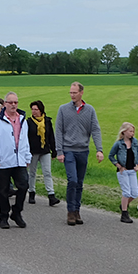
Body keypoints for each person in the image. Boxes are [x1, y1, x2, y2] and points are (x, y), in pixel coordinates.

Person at [55, 82, 104, 226]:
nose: (72, 95)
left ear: (81, 93)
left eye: (74, 93)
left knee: (80, 183)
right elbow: (58, 130)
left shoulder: (89, 110)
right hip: (68, 150)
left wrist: (99, 149)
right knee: (73, 180)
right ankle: (70, 211)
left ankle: (77, 210)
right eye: (70, 92)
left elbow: (95, 130)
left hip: (83, 150)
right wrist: (59, 151)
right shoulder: (63, 109)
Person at [0, 92, 31, 229]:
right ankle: (3, 216)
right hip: (3, 160)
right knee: (3, 191)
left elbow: (25, 140)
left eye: (15, 102)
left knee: (23, 186)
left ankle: (16, 212)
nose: (13, 105)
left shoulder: (23, 120)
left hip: (19, 161)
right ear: (5, 104)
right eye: (10, 102)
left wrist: (27, 156)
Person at [27, 100, 60, 206]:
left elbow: (51, 136)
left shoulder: (47, 121)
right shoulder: (28, 122)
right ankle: (31, 192)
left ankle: (51, 195)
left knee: (47, 172)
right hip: (33, 151)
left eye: (36, 109)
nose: (34, 111)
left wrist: (54, 151)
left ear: (41, 110)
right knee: (32, 173)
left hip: (45, 150)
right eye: (32, 109)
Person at [109, 121, 138, 223]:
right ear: (124, 132)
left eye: (133, 131)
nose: (132, 133)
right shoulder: (118, 144)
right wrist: (118, 165)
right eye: (130, 131)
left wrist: (137, 164)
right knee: (126, 192)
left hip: (132, 171)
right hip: (123, 171)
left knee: (135, 193)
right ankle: (124, 213)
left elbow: (136, 153)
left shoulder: (135, 142)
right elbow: (111, 155)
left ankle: (123, 205)